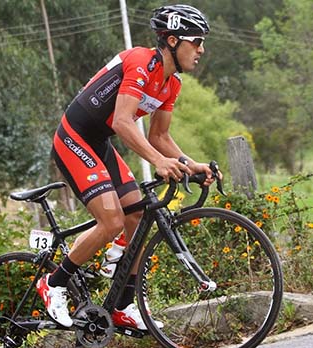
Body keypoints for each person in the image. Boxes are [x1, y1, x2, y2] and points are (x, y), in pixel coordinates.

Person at [37, 4, 215, 329]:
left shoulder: (170, 84)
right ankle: (54, 283)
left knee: (136, 215)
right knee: (112, 221)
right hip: (74, 137)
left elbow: (160, 137)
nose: (201, 49)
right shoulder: (140, 62)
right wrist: (159, 162)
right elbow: (122, 121)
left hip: (99, 143)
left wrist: (191, 166)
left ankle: (122, 306)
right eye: (196, 41)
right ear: (173, 41)